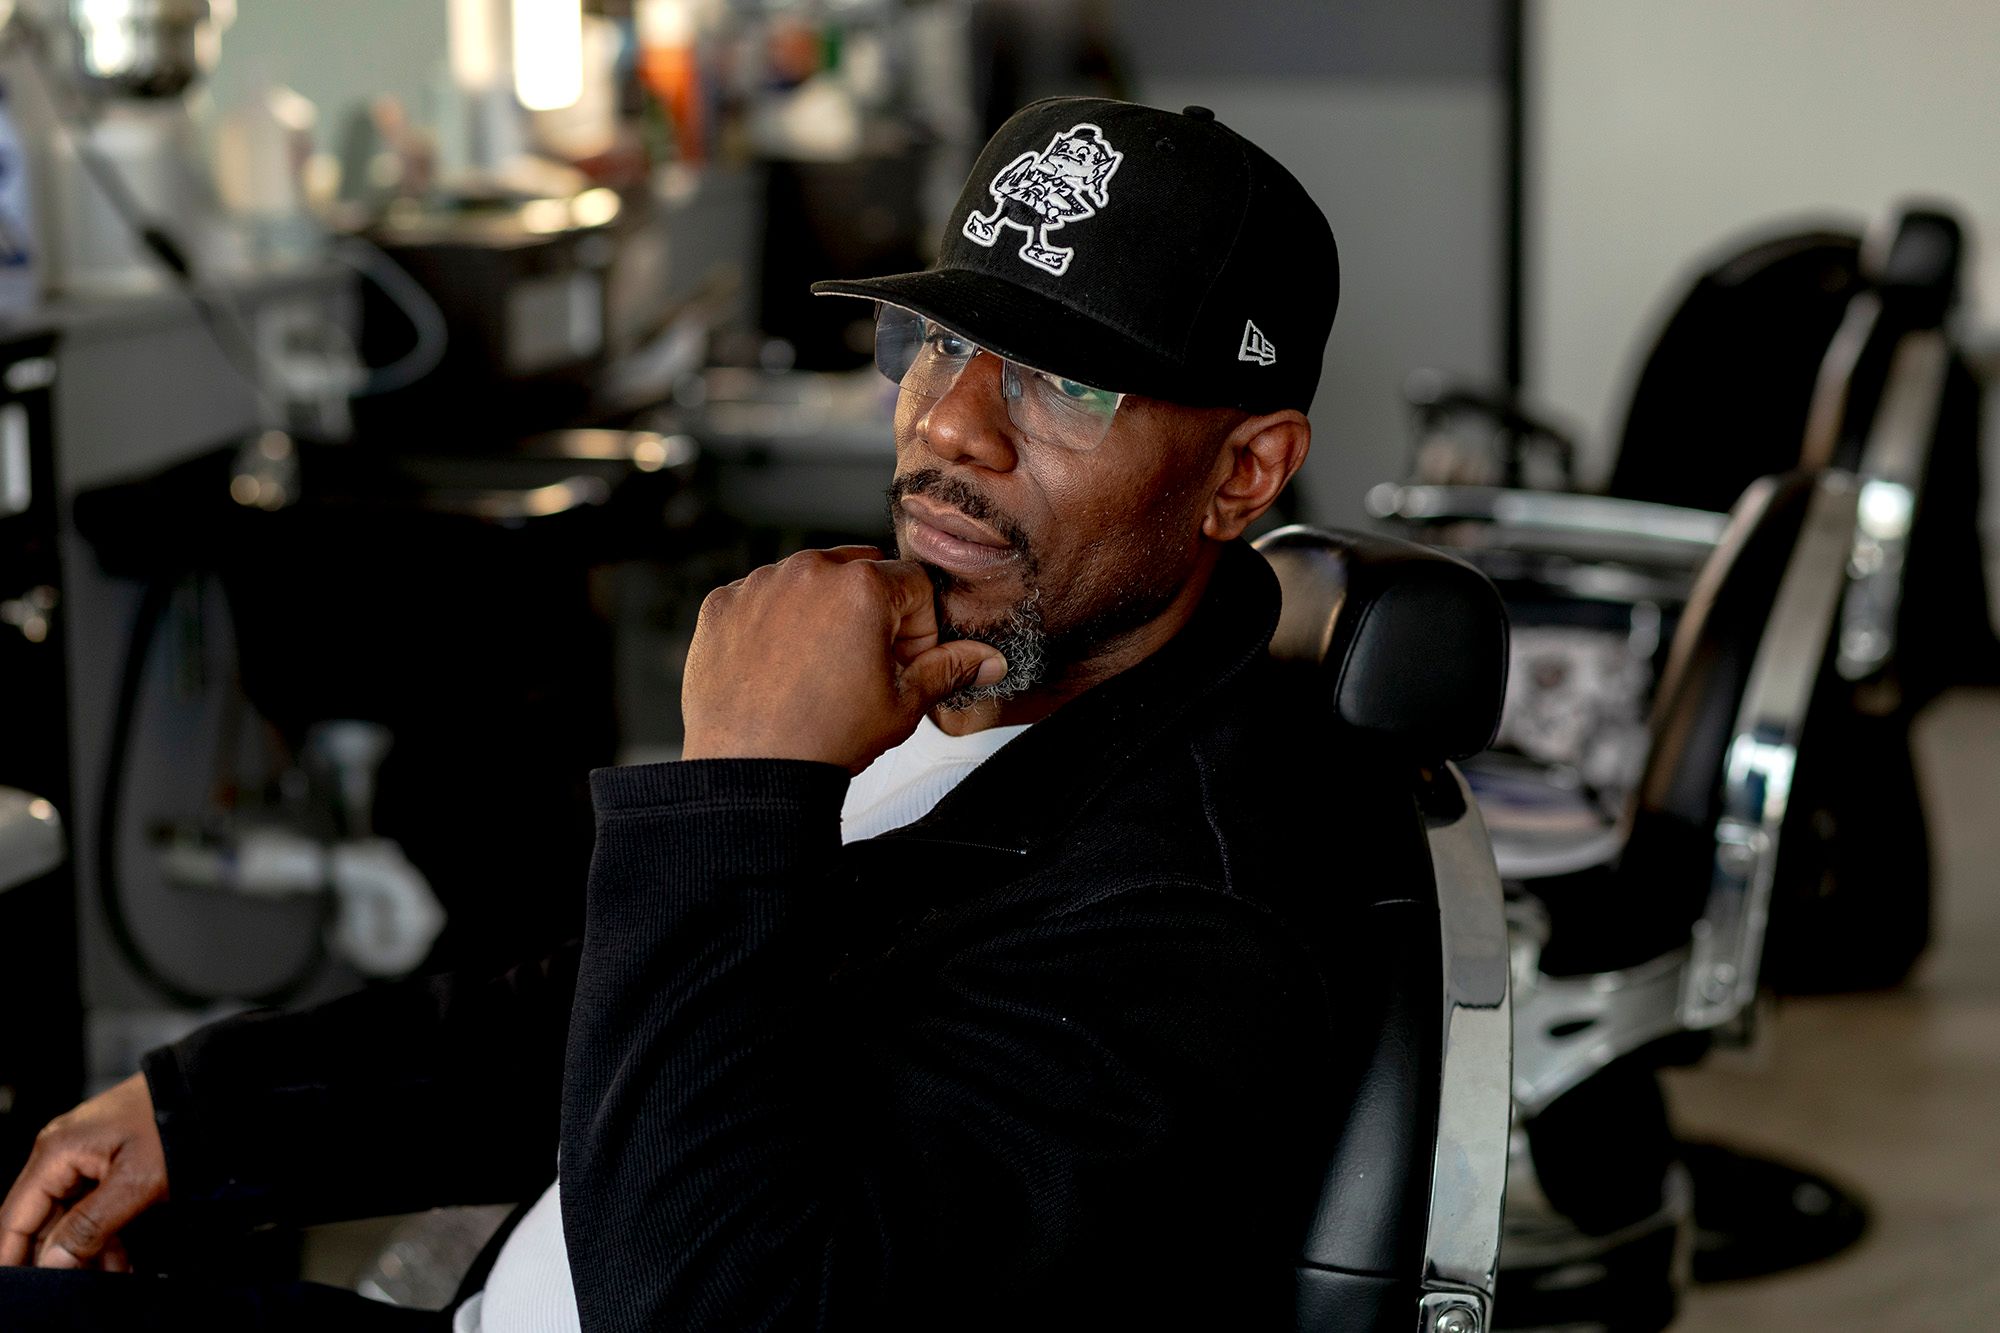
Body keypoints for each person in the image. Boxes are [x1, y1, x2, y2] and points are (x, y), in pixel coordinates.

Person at [0, 97, 1387, 1330]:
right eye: (941, 342)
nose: (953, 425)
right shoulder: (1014, 702)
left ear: (1244, 472)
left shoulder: (1195, 921)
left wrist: (741, 786)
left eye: (1068, 379)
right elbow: (625, 1028)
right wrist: (205, 1113)